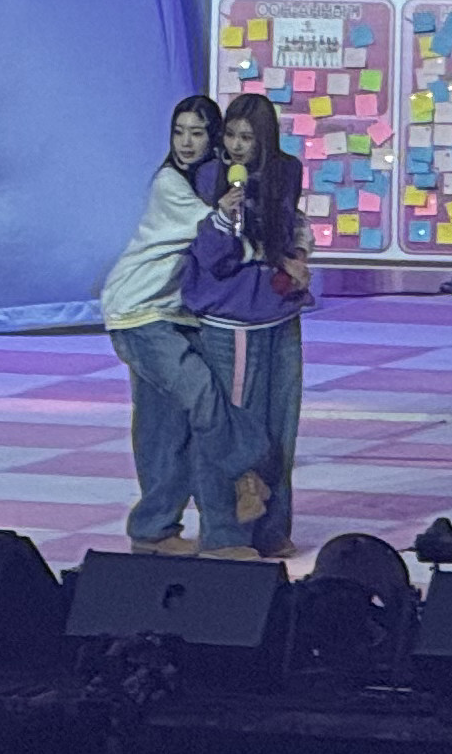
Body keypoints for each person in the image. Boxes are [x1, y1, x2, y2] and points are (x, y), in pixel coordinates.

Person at [184, 94, 310, 559]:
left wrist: (295, 256)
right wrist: (225, 217)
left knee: (280, 427)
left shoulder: (287, 171)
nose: (237, 146)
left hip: (279, 311)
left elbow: (290, 226)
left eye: (248, 138)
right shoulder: (210, 177)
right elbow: (213, 258)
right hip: (231, 316)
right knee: (233, 426)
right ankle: (224, 533)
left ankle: (272, 528)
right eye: (232, 136)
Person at [100, 95, 225, 554]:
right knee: (201, 395)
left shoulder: (201, 180)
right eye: (179, 131)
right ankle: (242, 477)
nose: (186, 142)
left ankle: (154, 529)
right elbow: (215, 229)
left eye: (197, 132)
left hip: (169, 312)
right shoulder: (170, 184)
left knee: (161, 424)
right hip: (138, 312)